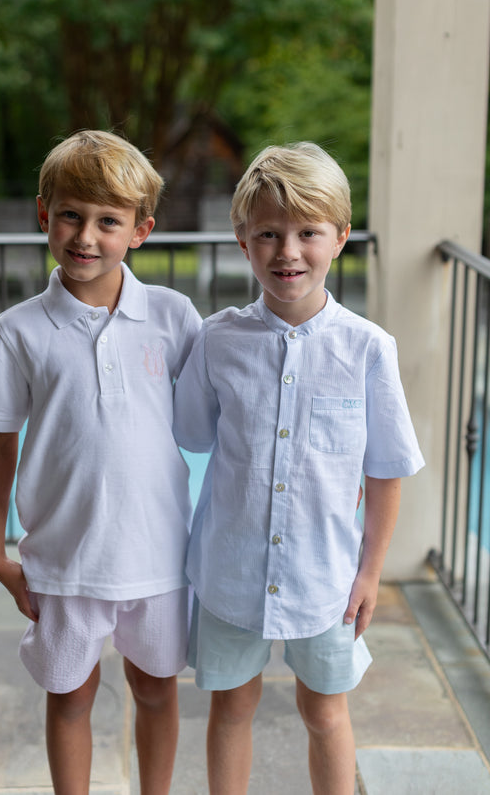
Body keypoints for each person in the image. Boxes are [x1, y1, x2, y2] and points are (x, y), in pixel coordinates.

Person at [173, 142, 424, 795]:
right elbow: (194, 435)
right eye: (269, 234)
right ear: (242, 240)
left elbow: (385, 469)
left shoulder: (368, 349)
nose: (288, 252)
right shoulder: (215, 341)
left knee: (325, 711)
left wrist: (369, 572)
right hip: (230, 574)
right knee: (232, 707)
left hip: (328, 577)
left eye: (308, 233)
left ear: (339, 237)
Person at [0, 129, 202, 795]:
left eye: (108, 221)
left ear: (141, 231)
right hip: (64, 562)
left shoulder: (173, 316)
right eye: (71, 214)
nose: (86, 235)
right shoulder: (19, 330)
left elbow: (226, 413)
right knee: (70, 697)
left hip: (159, 559)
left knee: (156, 690)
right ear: (45, 214)